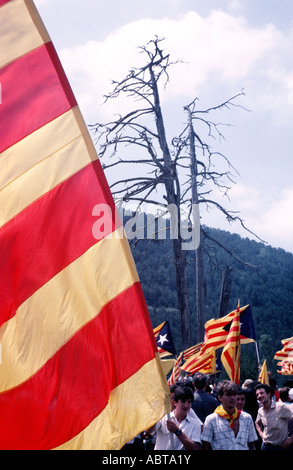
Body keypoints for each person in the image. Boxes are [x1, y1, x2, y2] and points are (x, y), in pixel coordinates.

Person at [201, 380, 258, 450]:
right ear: (220, 398)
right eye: (228, 395)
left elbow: (251, 445)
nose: (233, 398)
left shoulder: (247, 418)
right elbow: (205, 446)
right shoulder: (211, 420)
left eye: (234, 394)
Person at [148, 385, 201, 450]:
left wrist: (178, 432)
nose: (186, 405)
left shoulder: (195, 424)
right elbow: (148, 431)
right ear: (175, 403)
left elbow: (196, 448)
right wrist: (156, 414)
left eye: (189, 402)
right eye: (183, 401)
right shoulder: (164, 417)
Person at [255, 383, 293, 450]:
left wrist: (291, 439)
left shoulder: (281, 407)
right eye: (257, 394)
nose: (259, 396)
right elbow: (257, 423)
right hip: (265, 446)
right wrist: (261, 434)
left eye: (262, 393)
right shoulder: (260, 411)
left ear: (269, 394)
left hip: (280, 447)